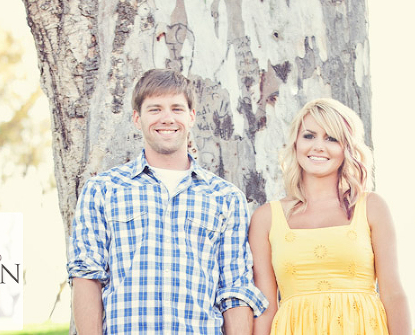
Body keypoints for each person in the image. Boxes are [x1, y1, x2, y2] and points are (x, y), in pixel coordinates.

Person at [67, 68, 268, 335]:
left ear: (191, 116)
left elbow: (235, 288)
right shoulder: (103, 190)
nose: (167, 118)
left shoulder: (225, 197)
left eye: (177, 108)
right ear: (137, 119)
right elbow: (87, 277)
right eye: (155, 109)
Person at [249, 98, 411, 335]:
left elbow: (394, 294)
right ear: (295, 142)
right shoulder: (266, 218)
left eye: (331, 138)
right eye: (309, 136)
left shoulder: (372, 207)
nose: (318, 146)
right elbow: (266, 306)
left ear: (347, 148)